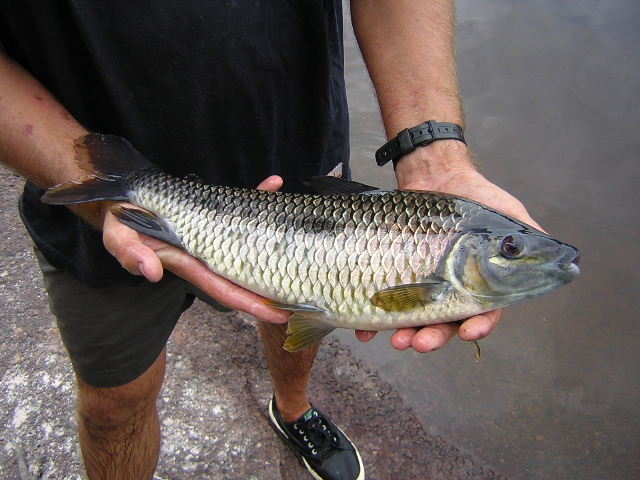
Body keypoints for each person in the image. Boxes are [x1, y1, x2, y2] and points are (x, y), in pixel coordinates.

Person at [0, 1, 541, 479]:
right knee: (113, 405)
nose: (517, 256)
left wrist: (433, 149)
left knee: (299, 315)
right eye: (511, 251)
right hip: (86, 169)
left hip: (302, 163)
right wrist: (77, 167)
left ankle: (294, 409)